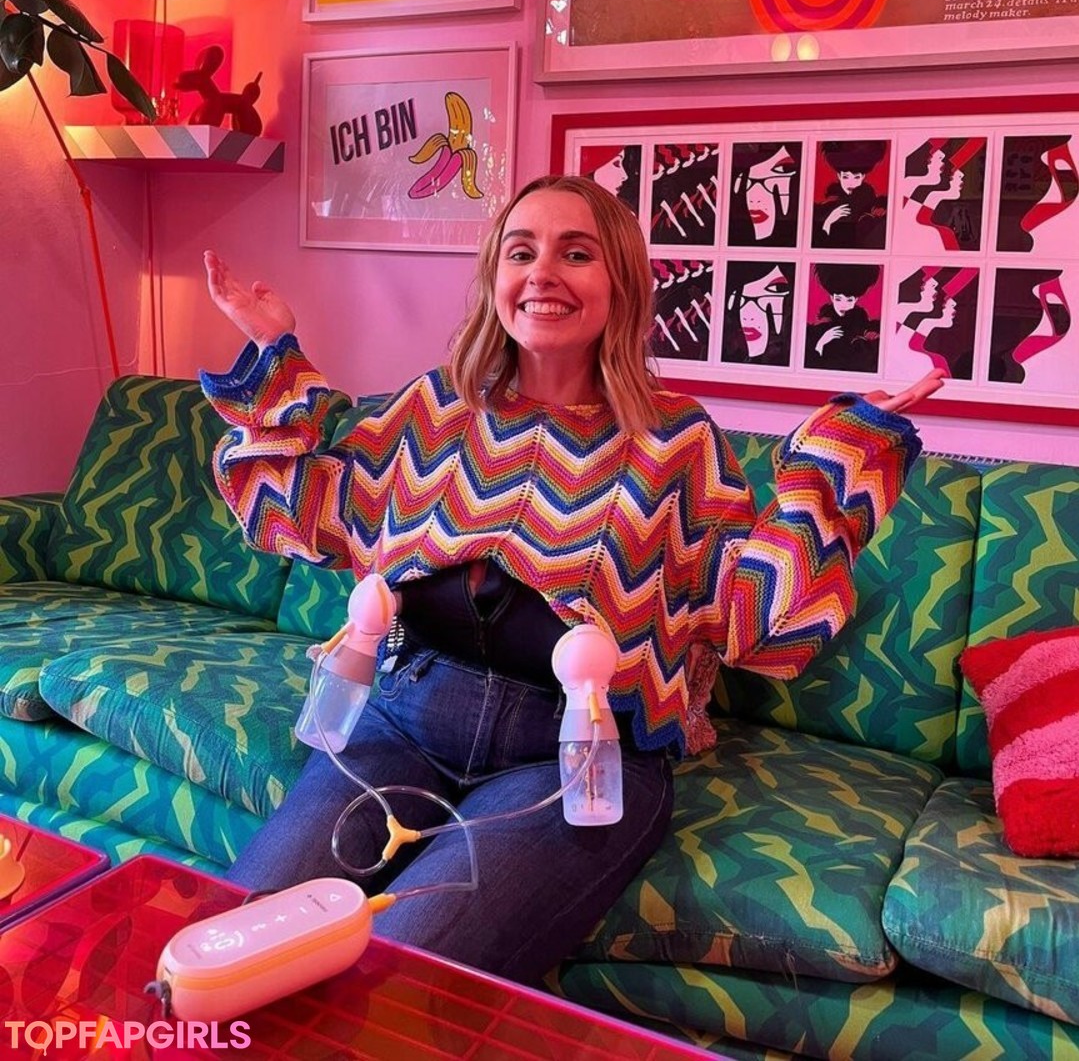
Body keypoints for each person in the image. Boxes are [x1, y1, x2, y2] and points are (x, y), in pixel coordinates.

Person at [199, 174, 940, 987]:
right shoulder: (435, 410)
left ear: (621, 284)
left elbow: (752, 619)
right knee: (233, 947)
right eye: (522, 252)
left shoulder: (677, 441)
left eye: (576, 253)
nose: (543, 272)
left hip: (574, 762)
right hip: (403, 720)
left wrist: (840, 458)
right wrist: (276, 355)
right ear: (495, 277)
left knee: (400, 984)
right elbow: (304, 511)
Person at [804, 263, 881, 373]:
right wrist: (821, 342)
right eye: (838, 299)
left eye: (849, 300)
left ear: (856, 299)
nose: (843, 305)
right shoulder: (817, 330)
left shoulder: (867, 330)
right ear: (832, 298)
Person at [812, 140, 888, 249]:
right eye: (845, 177)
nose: (851, 183)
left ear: (863, 177)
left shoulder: (873, 206)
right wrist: (829, 221)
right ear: (839, 176)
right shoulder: (826, 206)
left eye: (856, 177)